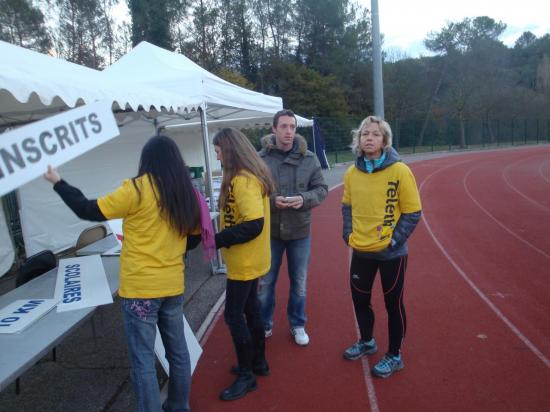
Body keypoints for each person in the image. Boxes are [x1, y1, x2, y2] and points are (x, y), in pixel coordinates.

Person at [44, 135, 202, 411]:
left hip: (140, 289)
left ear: (147, 160)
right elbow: (194, 240)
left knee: (142, 360)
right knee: (178, 353)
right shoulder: (186, 193)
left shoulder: (136, 189)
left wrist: (58, 182)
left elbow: (88, 209)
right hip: (172, 284)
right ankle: (179, 406)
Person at [341, 116, 422, 378]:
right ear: (358, 139)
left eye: (375, 134)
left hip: (391, 254)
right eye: (365, 134)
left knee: (393, 304)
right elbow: (347, 206)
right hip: (361, 250)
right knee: (360, 300)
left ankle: (394, 355)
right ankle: (367, 342)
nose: (369, 138)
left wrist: (394, 241)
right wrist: (347, 234)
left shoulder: (400, 171)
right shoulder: (352, 173)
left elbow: (413, 212)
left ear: (384, 140)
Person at [212, 128, 275, 401]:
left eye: (218, 151)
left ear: (230, 150)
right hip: (249, 259)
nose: (217, 157)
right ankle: (258, 362)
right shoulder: (247, 177)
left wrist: (217, 239)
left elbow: (254, 223)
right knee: (251, 310)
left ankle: (247, 375)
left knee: (234, 315)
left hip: (245, 260)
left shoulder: (243, 180)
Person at [257, 109, 328, 346]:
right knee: (266, 282)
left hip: (299, 231)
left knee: (299, 282)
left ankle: (298, 324)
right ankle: (264, 324)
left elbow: (321, 189)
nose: (289, 131)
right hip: (272, 232)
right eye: (284, 126)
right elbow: (251, 193)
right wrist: (271, 201)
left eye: (292, 127)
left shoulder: (310, 158)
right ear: (274, 129)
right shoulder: (260, 159)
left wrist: (304, 199)